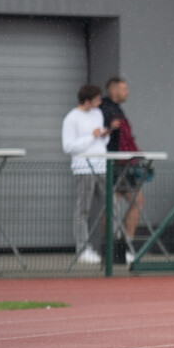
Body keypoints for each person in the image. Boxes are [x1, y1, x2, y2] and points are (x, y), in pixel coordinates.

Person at [62, 84, 109, 264]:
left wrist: (104, 135)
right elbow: (68, 147)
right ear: (87, 101)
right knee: (83, 209)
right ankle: (82, 248)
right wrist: (92, 136)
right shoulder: (71, 118)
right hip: (83, 168)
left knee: (111, 206)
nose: (100, 102)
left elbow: (101, 141)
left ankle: (115, 246)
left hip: (102, 166)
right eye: (96, 99)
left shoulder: (98, 114)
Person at [100, 77, 144, 265]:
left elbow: (126, 137)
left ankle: (126, 245)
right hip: (113, 163)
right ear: (113, 90)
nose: (127, 92)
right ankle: (110, 247)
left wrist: (135, 151)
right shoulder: (103, 108)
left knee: (137, 201)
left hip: (126, 164)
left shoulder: (119, 110)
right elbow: (99, 133)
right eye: (124, 89)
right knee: (113, 204)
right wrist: (109, 129)